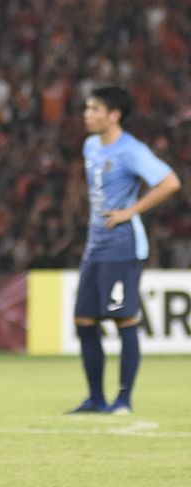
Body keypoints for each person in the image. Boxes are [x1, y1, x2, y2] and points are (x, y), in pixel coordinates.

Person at [67, 85, 180, 415]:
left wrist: (131, 212)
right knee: (84, 319)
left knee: (123, 319)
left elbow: (170, 182)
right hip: (96, 246)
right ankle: (95, 399)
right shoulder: (91, 146)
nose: (87, 115)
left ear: (114, 115)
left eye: (94, 109)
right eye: (87, 109)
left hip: (123, 247)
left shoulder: (131, 150)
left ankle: (123, 401)